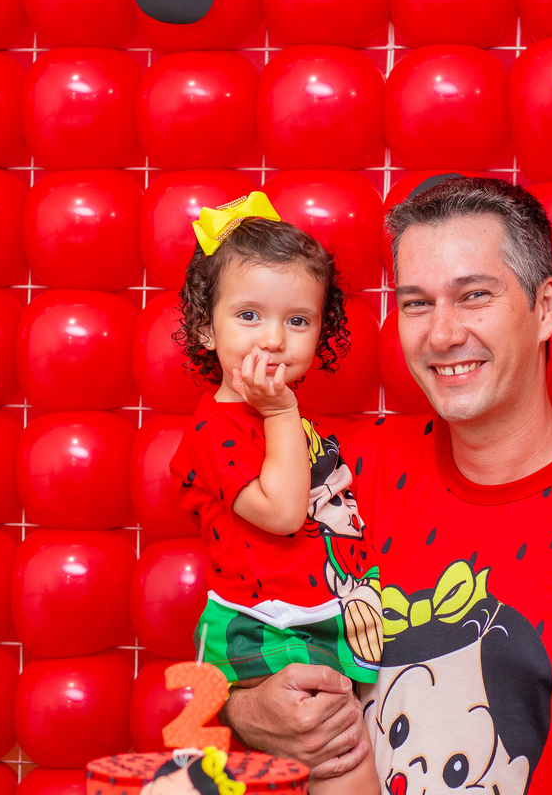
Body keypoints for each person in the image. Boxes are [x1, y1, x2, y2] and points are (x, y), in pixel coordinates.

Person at [219, 177, 552, 795]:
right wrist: (249, 711)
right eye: (417, 303)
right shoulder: (332, 472)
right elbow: (219, 656)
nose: (441, 334)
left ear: (545, 307)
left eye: (473, 295)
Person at [169, 192, 384, 795]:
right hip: (262, 622)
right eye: (248, 316)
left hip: (316, 615)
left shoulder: (293, 423)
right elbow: (286, 513)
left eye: (297, 320)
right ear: (204, 329)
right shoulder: (217, 427)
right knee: (340, 762)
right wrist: (282, 411)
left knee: (346, 759)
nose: (273, 339)